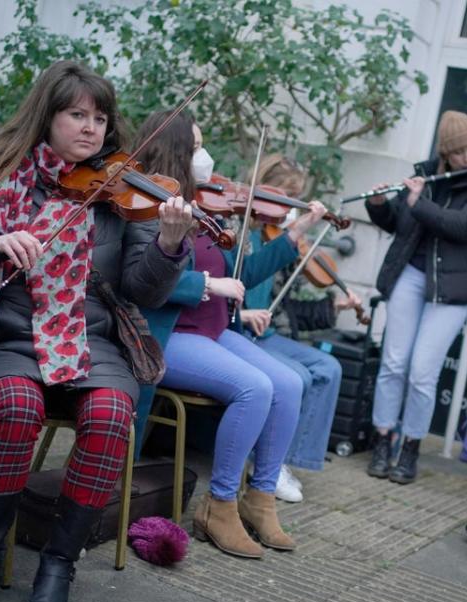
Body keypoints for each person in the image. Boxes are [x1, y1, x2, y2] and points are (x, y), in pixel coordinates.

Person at [0, 61, 193, 602]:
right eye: (76, 115)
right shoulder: (3, 180)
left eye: (100, 117)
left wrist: (168, 244)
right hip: (7, 342)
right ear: (48, 117)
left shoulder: (121, 194)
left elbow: (142, 288)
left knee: (114, 411)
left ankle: (59, 566)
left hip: (93, 347)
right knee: (18, 405)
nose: (91, 128)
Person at [130, 110, 327, 558]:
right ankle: (219, 506)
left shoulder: (206, 206)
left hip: (214, 330)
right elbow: (138, 276)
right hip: (170, 331)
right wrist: (205, 285)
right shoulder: (148, 203)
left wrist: (294, 232)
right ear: (174, 151)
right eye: (196, 146)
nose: (205, 156)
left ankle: (259, 500)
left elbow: (245, 273)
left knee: (290, 383)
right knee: (253, 388)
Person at [364, 110, 467, 484]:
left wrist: (420, 203)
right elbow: (399, 222)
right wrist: (378, 206)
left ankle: (410, 447)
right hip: (411, 275)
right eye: (460, 152)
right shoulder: (424, 173)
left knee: (422, 372)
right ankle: (382, 438)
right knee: (393, 363)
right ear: (445, 152)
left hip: (452, 290)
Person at [240, 154, 362, 503]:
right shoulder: (243, 230)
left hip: (266, 332)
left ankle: (284, 462)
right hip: (242, 330)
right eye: (286, 197)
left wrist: (331, 307)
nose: (290, 209)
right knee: (300, 376)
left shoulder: (283, 239)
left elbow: (285, 308)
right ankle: (267, 464)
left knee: (328, 367)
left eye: (296, 199)